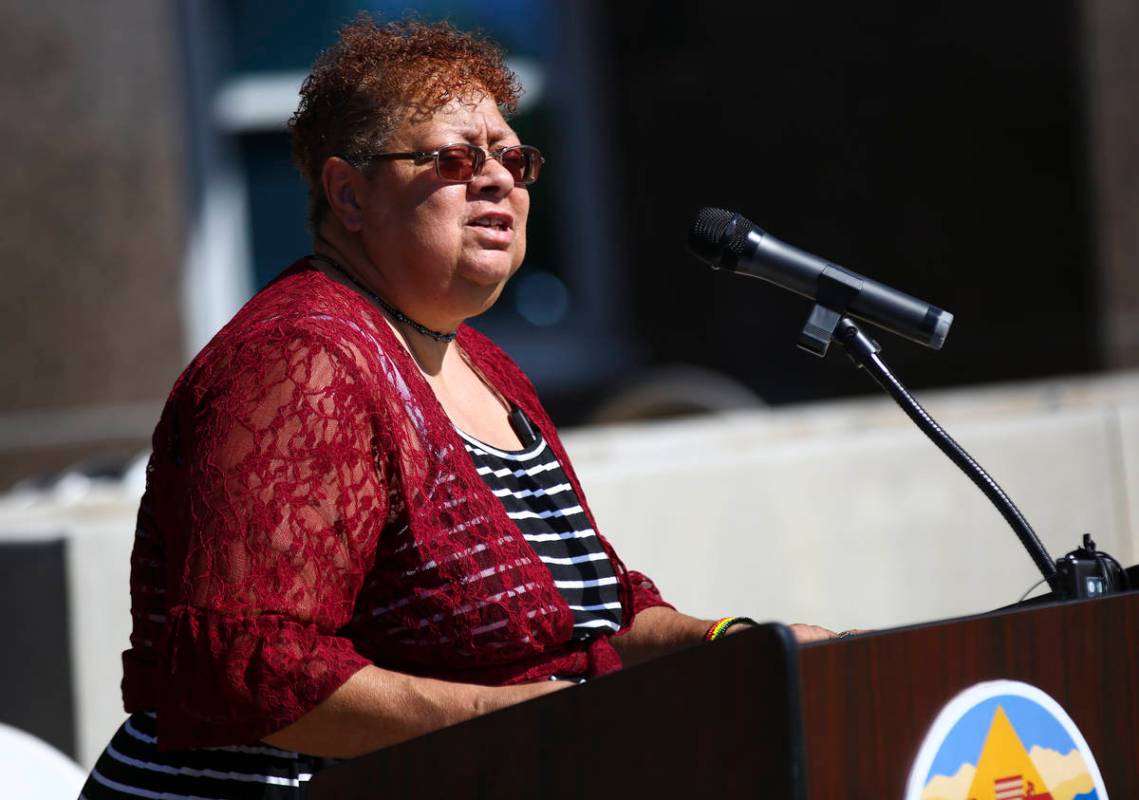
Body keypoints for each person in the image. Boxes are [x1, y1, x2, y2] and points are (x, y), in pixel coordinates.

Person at [80, 16, 834, 799]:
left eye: (513, 157)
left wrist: (744, 647)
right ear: (348, 192)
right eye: (453, 158)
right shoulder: (298, 362)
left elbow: (598, 619)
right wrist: (512, 719)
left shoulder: (483, 363)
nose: (497, 178)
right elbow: (246, 666)